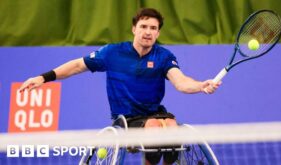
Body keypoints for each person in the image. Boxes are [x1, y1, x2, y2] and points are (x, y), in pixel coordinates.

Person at [19, 8, 221, 165]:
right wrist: (44, 78)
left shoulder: (164, 56)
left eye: (153, 28)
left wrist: (201, 86)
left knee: (171, 126)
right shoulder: (112, 53)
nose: (147, 32)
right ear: (134, 29)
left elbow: (181, 81)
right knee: (154, 128)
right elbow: (78, 65)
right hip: (126, 118)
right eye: (143, 27)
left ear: (158, 33)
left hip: (156, 114)